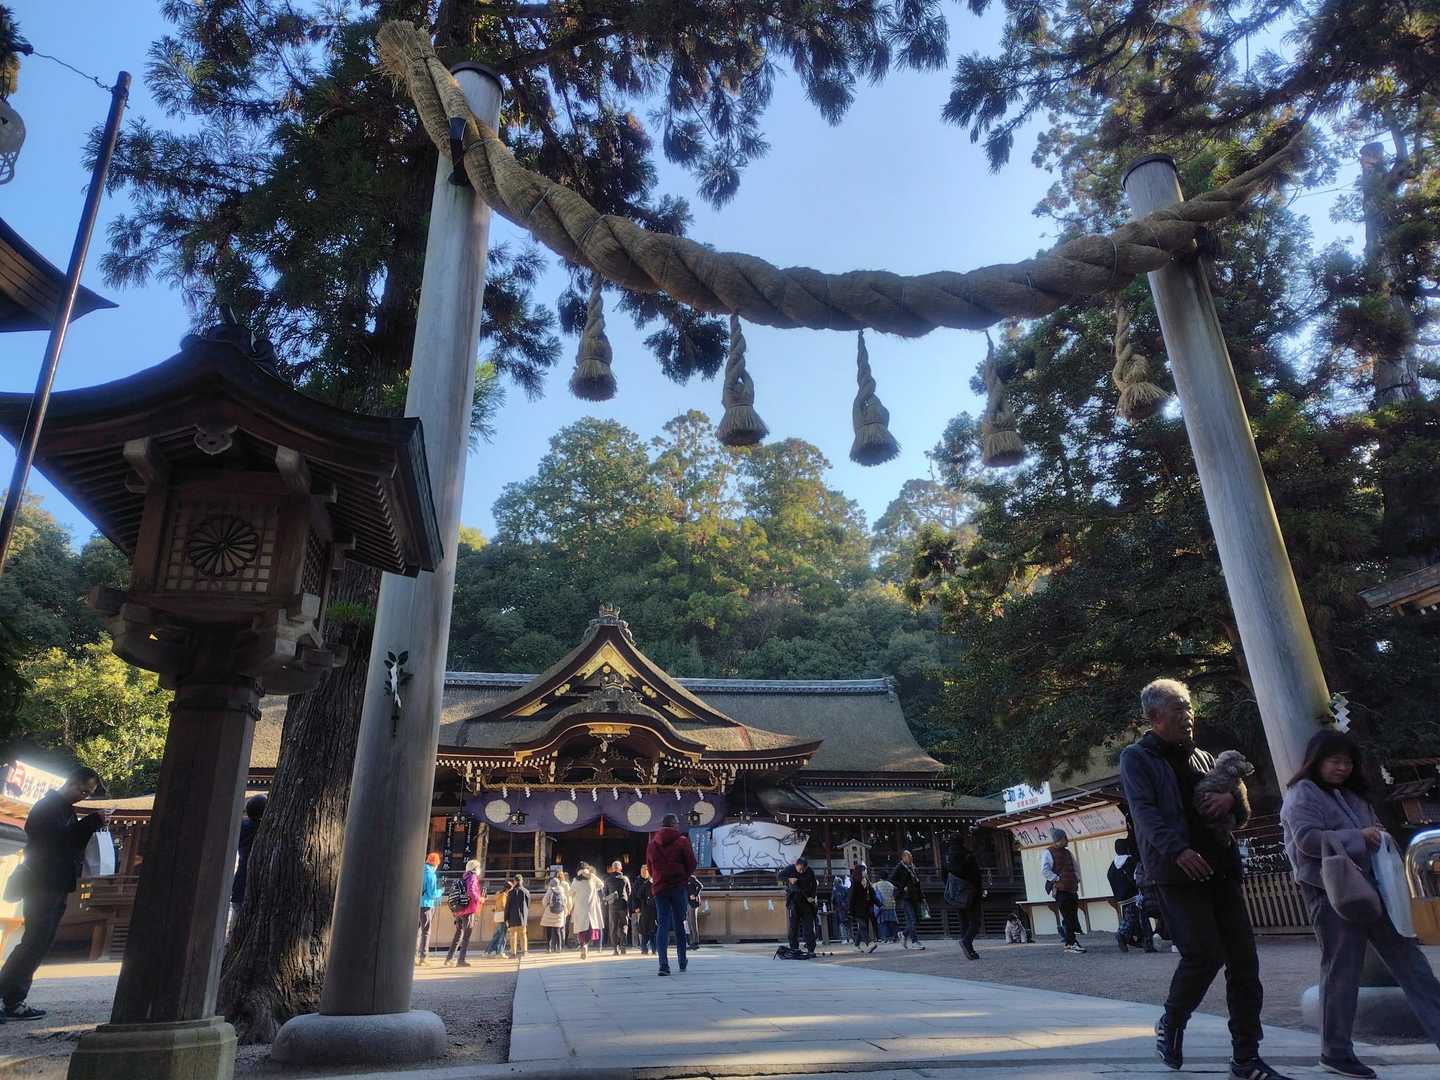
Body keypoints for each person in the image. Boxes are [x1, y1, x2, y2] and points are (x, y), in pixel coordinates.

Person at [1121, 677, 1292, 1080]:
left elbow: (1240, 812)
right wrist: (1178, 850)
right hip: (1178, 873)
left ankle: (1246, 1058)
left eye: (1189, 706)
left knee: (1244, 965)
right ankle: (1172, 1020)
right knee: (1203, 954)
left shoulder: (1204, 758)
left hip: (1222, 868)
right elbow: (1145, 814)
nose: (1188, 714)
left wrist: (1234, 799)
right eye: (1179, 707)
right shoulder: (1137, 758)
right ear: (1155, 716)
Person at [1281, 729, 1440, 1079]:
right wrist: (1358, 836)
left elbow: (1369, 832)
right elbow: (1306, 840)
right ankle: (1335, 1052)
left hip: (1371, 888)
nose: (1342, 768)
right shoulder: (1302, 793)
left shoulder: (1354, 794)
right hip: (1331, 891)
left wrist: (1375, 833)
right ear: (1316, 761)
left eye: (1348, 762)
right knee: (1342, 970)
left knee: (1411, 963)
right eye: (1335, 761)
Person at [0, 767, 110, 1020]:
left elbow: (71, 844)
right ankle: (9, 995)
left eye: (88, 793)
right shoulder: (48, 808)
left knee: (39, 943)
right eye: (83, 790)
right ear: (71, 782)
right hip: (42, 883)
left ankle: (15, 999)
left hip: (56, 884)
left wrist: (91, 825)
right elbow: (55, 843)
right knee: (33, 942)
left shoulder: (65, 810)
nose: (83, 796)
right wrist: (91, 822)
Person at [645, 813, 697, 976]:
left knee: (662, 924)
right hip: (678, 886)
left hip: (660, 888)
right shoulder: (682, 841)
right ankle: (682, 960)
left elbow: (650, 867)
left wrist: (658, 878)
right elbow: (692, 863)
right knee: (679, 923)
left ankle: (663, 965)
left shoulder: (653, 844)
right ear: (674, 825)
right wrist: (683, 876)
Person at [1041, 829, 1086, 954]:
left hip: (1071, 888)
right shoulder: (1048, 852)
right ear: (1060, 839)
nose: (1067, 840)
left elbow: (1075, 867)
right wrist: (1056, 878)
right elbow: (1045, 870)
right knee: (1068, 916)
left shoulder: (1067, 853)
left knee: (1072, 916)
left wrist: (1077, 879)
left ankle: (1070, 942)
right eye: (1065, 838)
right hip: (1061, 889)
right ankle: (1070, 943)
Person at [1109, 838, 1155, 953]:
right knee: (1142, 919)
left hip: (1123, 898)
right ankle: (1143, 942)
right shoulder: (1131, 861)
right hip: (1135, 896)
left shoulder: (1113, 865)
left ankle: (1133, 938)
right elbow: (1139, 877)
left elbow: (1111, 877)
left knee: (1130, 917)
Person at [230, 794, 266, 930]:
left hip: (240, 884)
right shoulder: (264, 829)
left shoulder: (242, 826)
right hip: (256, 887)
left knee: (236, 924)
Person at [945, 836, 984, 960]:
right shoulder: (967, 855)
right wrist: (979, 890)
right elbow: (975, 875)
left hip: (955, 893)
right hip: (970, 892)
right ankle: (967, 942)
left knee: (964, 922)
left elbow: (944, 875)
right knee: (975, 922)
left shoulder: (947, 857)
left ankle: (969, 948)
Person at [445, 859, 483, 966]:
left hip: (460, 909)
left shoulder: (465, 877)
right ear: (475, 868)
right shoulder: (473, 877)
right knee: (466, 935)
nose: (480, 870)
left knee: (458, 934)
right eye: (479, 867)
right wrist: (479, 899)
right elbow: (471, 891)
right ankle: (461, 960)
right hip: (469, 909)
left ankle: (449, 959)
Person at [779, 856, 818, 955]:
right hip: (794, 901)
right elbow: (779, 876)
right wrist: (789, 879)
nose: (801, 871)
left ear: (806, 867)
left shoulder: (809, 871)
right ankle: (794, 948)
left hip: (806, 901)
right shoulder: (790, 868)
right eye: (799, 869)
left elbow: (814, 884)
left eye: (803, 870)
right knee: (793, 927)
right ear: (796, 865)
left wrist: (812, 896)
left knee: (808, 926)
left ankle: (811, 949)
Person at [889, 850, 926, 951]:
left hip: (915, 896)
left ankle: (904, 934)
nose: (910, 859)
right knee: (912, 919)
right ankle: (914, 941)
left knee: (914, 920)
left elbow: (917, 882)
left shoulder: (912, 867)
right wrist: (902, 887)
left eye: (910, 857)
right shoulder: (900, 867)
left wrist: (922, 896)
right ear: (903, 857)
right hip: (905, 897)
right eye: (908, 857)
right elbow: (891, 879)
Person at [570, 863, 605, 959]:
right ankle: (586, 944)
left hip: (580, 909)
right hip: (591, 908)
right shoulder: (592, 877)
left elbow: (570, 892)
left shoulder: (576, 880)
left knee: (581, 930)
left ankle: (583, 945)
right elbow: (601, 884)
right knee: (591, 929)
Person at [417, 852, 444, 965]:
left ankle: (413, 955)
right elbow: (432, 894)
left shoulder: (419, 870)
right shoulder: (431, 874)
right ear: (436, 864)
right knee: (426, 931)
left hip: (416, 904)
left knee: (417, 931)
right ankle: (423, 957)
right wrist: (440, 891)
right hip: (426, 905)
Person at [603, 860, 632, 955]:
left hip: (612, 906)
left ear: (612, 869)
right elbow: (629, 892)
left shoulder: (607, 880)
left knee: (613, 927)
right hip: (623, 905)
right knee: (624, 925)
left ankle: (615, 949)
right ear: (621, 868)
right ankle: (623, 947)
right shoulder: (625, 879)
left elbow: (605, 893)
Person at [848, 863, 877, 952]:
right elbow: (851, 898)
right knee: (863, 926)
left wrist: (879, 903)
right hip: (856, 909)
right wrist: (850, 910)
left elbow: (872, 894)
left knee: (862, 927)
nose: (865, 872)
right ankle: (869, 943)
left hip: (865, 908)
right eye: (863, 870)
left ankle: (856, 945)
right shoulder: (855, 883)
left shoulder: (867, 882)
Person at [540, 871, 568, 952]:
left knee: (549, 931)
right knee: (557, 931)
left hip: (550, 912)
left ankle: (549, 948)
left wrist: (547, 907)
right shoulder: (562, 890)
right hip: (559, 913)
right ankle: (559, 948)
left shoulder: (550, 890)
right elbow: (565, 901)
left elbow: (544, 901)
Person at [632, 864, 657, 955]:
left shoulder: (653, 880)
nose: (644, 872)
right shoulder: (638, 881)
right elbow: (635, 895)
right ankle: (644, 948)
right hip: (643, 907)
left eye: (645, 871)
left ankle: (654, 949)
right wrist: (636, 907)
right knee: (644, 929)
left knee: (653, 929)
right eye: (642, 871)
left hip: (653, 908)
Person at [504, 874, 530, 958]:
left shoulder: (510, 892)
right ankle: (524, 951)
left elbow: (507, 907)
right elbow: (528, 905)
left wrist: (506, 918)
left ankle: (513, 953)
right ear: (522, 881)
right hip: (523, 917)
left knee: (513, 935)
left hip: (512, 917)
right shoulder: (526, 891)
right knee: (523, 934)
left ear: (514, 881)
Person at [485, 880, 513, 957]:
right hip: (503, 916)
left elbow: (497, 905)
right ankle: (500, 952)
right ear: (508, 889)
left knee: (497, 935)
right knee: (503, 935)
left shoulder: (498, 894)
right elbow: (504, 906)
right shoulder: (504, 895)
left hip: (497, 916)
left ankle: (488, 951)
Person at [872, 873, 898, 943]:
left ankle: (885, 938)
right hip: (891, 906)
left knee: (882, 923)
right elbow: (895, 891)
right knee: (892, 923)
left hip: (882, 906)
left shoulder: (876, 885)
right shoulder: (891, 885)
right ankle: (894, 937)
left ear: (880, 877)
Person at [685, 871, 705, 947]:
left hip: (693, 903)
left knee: (693, 922)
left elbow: (700, 886)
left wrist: (695, 895)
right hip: (687, 903)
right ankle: (691, 941)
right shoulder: (683, 879)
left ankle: (695, 941)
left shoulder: (691, 878)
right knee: (689, 922)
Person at [831, 871, 851, 944]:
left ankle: (844, 938)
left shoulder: (834, 890)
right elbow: (849, 898)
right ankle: (850, 938)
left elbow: (832, 900)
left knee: (841, 924)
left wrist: (834, 907)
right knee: (848, 923)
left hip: (839, 908)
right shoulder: (846, 888)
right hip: (847, 908)